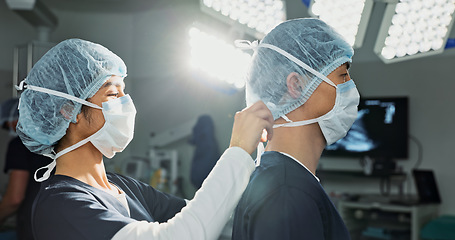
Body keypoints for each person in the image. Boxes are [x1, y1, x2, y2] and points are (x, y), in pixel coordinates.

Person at [15, 38, 274, 240]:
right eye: (113, 95)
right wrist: (238, 149)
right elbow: (184, 235)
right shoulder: (61, 206)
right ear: (69, 111)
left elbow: (205, 212)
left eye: (124, 93)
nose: (127, 105)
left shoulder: (122, 188)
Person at [232, 18, 359, 240]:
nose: (351, 85)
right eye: (342, 75)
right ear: (297, 86)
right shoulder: (286, 191)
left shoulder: (284, 179)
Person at [0, 98, 53, 240]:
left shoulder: (19, 145)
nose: (11, 127)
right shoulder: (57, 140)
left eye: (10, 122)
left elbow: (14, 198)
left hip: (33, 224)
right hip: (61, 219)